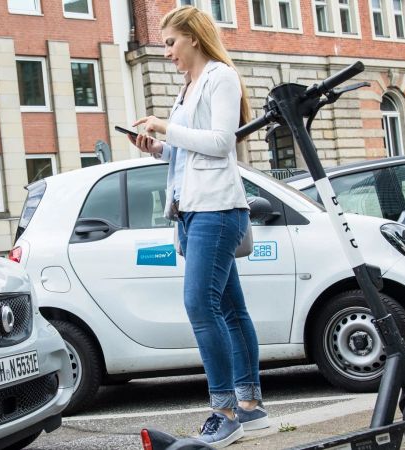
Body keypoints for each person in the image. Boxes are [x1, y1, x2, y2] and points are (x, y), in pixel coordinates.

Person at [128, 5, 267, 448]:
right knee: (229, 309)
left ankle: (224, 411)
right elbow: (185, 152)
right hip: (189, 211)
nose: (166, 51)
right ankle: (251, 406)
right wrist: (155, 146)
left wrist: (166, 127)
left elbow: (223, 142)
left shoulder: (220, 77)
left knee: (199, 306)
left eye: (170, 42)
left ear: (193, 37)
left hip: (217, 210)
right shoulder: (187, 88)